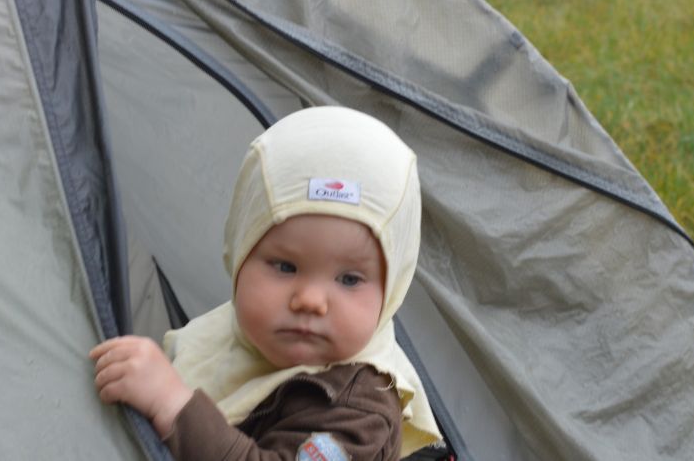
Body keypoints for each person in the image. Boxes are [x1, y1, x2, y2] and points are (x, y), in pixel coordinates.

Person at [90, 106, 441, 460]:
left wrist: (173, 407)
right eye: (286, 266)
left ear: (392, 289)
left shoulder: (359, 410)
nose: (310, 300)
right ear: (241, 254)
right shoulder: (232, 338)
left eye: (349, 279)